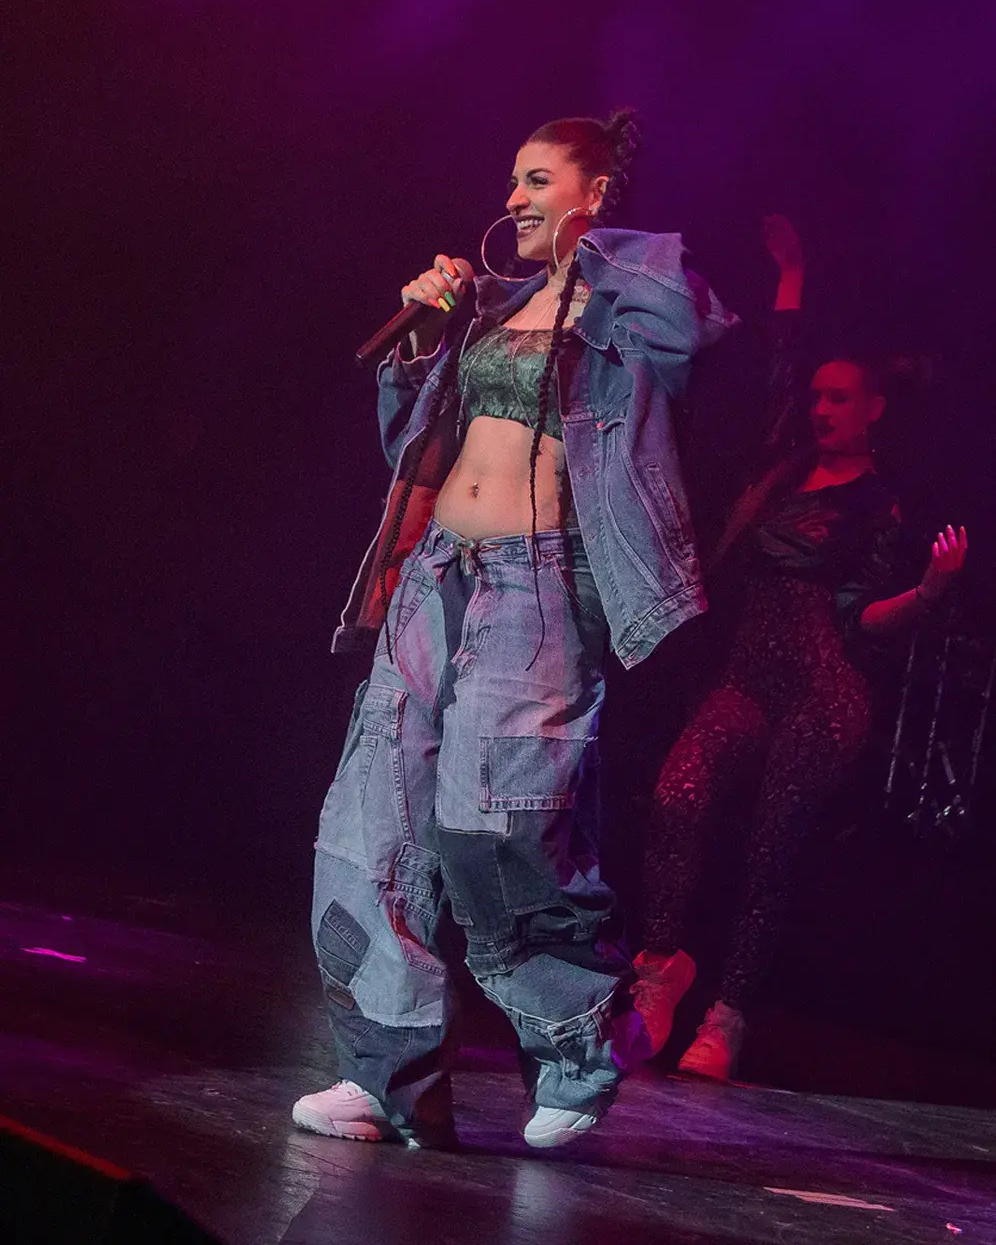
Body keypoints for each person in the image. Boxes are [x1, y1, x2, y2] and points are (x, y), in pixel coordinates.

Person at [291, 111, 736, 1149]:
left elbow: (693, 327)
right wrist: (425, 335)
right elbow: (413, 449)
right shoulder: (496, 309)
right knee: (371, 820)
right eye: (513, 180)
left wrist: (595, 251)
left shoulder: (630, 303)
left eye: (537, 181)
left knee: (497, 822)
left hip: (539, 587)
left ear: (593, 195)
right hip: (435, 574)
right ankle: (389, 1072)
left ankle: (581, 1042)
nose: (514, 199)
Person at [631, 215, 968, 1083]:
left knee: (772, 845)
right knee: (677, 795)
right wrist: (790, 273)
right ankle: (659, 968)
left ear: (874, 410)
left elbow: (866, 621)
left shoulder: (877, 507)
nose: (821, 409)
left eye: (840, 399)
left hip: (827, 686)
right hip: (750, 673)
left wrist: (929, 593)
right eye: (819, 398)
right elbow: (782, 366)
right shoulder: (782, 468)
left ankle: (729, 1015)